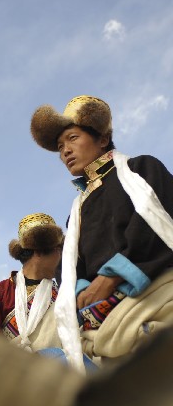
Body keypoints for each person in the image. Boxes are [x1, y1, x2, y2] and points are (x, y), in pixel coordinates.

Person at [30, 95, 173, 371]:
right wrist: (86, 292)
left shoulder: (140, 169)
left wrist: (113, 275)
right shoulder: (77, 213)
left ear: (103, 139)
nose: (65, 152)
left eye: (72, 138)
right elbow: (69, 268)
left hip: (154, 296)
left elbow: (157, 221)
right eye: (60, 147)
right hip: (101, 319)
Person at [0, 213, 63, 353]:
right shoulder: (1, 293)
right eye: (58, 249)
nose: (61, 255)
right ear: (38, 251)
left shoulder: (62, 294)